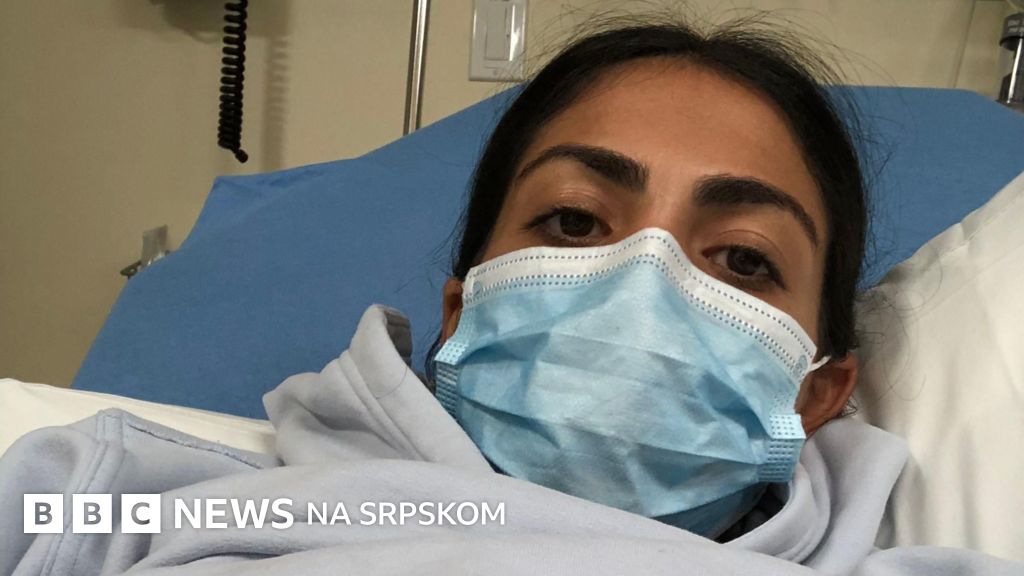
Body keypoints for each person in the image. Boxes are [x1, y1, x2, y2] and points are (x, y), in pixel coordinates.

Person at [0, 18, 1020, 576]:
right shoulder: (109, 496)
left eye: (743, 261)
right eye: (574, 222)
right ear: (463, 315)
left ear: (819, 393)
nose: (644, 283)